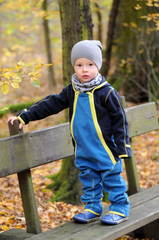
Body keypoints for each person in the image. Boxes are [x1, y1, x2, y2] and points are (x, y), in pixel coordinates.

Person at [8, 40, 131, 225]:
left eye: (90, 65)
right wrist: (25, 116)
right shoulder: (72, 90)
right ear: (74, 66)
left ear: (98, 65)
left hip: (106, 148)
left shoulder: (107, 92)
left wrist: (123, 148)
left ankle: (120, 208)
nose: (85, 70)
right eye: (79, 65)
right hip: (83, 148)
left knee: (112, 179)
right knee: (88, 179)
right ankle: (92, 207)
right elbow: (51, 103)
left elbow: (120, 121)